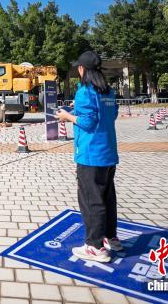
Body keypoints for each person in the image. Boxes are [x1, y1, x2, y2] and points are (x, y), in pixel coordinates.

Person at [56, 50, 120, 263]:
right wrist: (78, 111)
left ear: (82, 69)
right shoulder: (108, 91)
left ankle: (94, 246)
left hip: (91, 154)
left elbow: (88, 122)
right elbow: (111, 114)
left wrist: (67, 116)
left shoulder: (84, 91)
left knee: (92, 201)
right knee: (107, 198)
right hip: (108, 153)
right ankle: (111, 238)